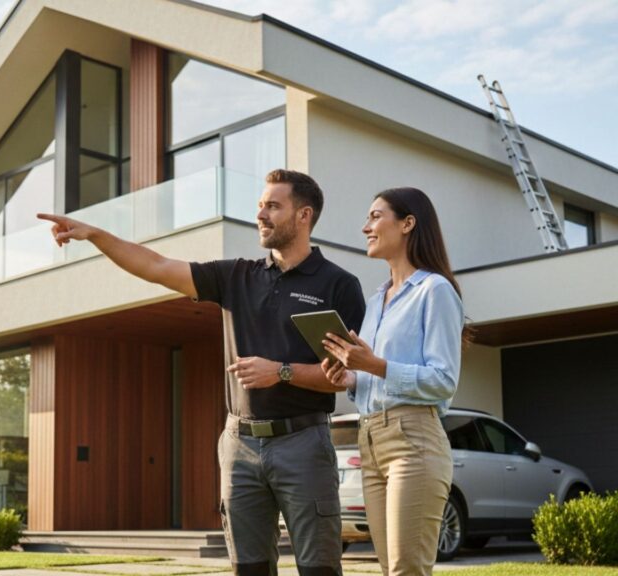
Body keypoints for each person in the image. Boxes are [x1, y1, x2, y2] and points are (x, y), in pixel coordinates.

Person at [38, 169, 365, 576]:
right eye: (260, 205)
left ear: (304, 215)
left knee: (319, 569)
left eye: (273, 206)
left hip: (303, 443)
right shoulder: (236, 276)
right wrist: (97, 236)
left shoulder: (339, 285)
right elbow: (155, 265)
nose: (261, 214)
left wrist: (278, 372)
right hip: (239, 445)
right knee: (249, 568)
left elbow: (341, 373)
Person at [321, 187, 464, 576]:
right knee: (389, 569)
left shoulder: (435, 291)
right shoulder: (375, 300)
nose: (365, 226)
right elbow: (373, 372)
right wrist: (350, 375)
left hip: (413, 441)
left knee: (406, 570)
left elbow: (443, 381)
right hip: (370, 440)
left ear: (407, 224)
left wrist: (375, 364)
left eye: (375, 216)